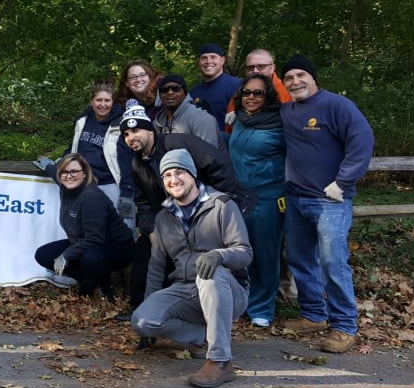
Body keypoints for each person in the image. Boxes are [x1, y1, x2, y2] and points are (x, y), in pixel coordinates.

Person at [115, 107, 252, 320]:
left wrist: (218, 203)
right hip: (169, 220)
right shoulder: (137, 164)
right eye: (126, 134)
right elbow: (142, 202)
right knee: (145, 252)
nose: (131, 137)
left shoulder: (179, 143)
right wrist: (151, 229)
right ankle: (144, 309)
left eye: (136, 131)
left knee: (215, 256)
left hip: (206, 212)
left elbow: (218, 165)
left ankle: (225, 307)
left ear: (150, 131)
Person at [130, 150, 252, 388]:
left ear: (193, 175)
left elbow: (245, 252)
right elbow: (156, 267)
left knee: (210, 272)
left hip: (228, 288)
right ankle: (205, 336)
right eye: (167, 175)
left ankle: (220, 361)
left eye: (179, 172)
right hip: (185, 289)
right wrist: (148, 312)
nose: (173, 180)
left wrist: (219, 255)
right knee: (143, 321)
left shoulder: (222, 205)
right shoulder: (164, 217)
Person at [280, 55, 374, 353]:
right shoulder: (288, 110)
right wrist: (234, 115)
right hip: (295, 199)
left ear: (313, 77)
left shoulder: (336, 105)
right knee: (299, 258)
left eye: (300, 75)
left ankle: (345, 326)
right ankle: (313, 315)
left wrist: (343, 181)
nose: (295, 81)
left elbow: (362, 139)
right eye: (289, 78)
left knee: (332, 262)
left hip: (330, 201)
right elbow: (255, 112)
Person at [34, 154, 135, 301]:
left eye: (74, 171)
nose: (69, 176)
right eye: (65, 172)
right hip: (84, 243)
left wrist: (66, 255)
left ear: (84, 174)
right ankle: (87, 280)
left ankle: (106, 289)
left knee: (90, 258)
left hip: (116, 246)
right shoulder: (65, 185)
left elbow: (95, 238)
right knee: (44, 255)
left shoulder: (91, 197)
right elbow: (54, 171)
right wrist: (47, 165)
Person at [227, 74, 286, 327]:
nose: (251, 98)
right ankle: (242, 301)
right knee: (241, 250)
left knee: (265, 253)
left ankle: (262, 307)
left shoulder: (281, 123)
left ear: (268, 96)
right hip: (239, 196)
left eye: (258, 93)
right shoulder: (240, 120)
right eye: (246, 93)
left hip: (268, 197)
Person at [66, 80, 135, 228]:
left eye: (107, 100)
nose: (103, 104)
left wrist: (126, 192)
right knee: (89, 230)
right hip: (85, 185)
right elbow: (74, 147)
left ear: (113, 101)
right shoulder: (82, 121)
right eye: (98, 100)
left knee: (123, 229)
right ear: (92, 101)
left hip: (113, 185)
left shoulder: (122, 123)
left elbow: (128, 160)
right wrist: (62, 162)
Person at [224, 48, 291, 132]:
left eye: (261, 66)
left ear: (272, 68)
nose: (255, 71)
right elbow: (229, 128)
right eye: (250, 67)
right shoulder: (241, 91)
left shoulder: (287, 92)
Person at [152, 74, 223, 149]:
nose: (170, 92)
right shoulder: (158, 122)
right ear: (159, 95)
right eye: (164, 89)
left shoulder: (201, 118)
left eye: (176, 88)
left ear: (185, 93)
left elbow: (210, 155)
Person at [189, 43, 241, 131]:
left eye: (213, 57)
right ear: (199, 62)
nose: (208, 61)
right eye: (204, 58)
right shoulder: (193, 92)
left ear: (222, 60)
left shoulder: (237, 86)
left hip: (227, 142)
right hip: (197, 142)